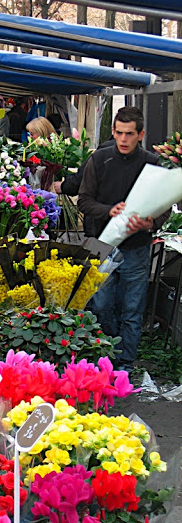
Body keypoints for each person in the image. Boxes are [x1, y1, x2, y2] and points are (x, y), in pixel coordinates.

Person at [78, 106, 170, 373]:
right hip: (102, 245)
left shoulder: (152, 164)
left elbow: (164, 206)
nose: (123, 139)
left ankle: (125, 365)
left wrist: (151, 222)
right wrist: (109, 210)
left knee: (132, 310)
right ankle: (106, 358)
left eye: (129, 134)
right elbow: (84, 201)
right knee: (101, 306)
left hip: (137, 247)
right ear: (113, 132)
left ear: (140, 134)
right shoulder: (99, 160)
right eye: (119, 133)